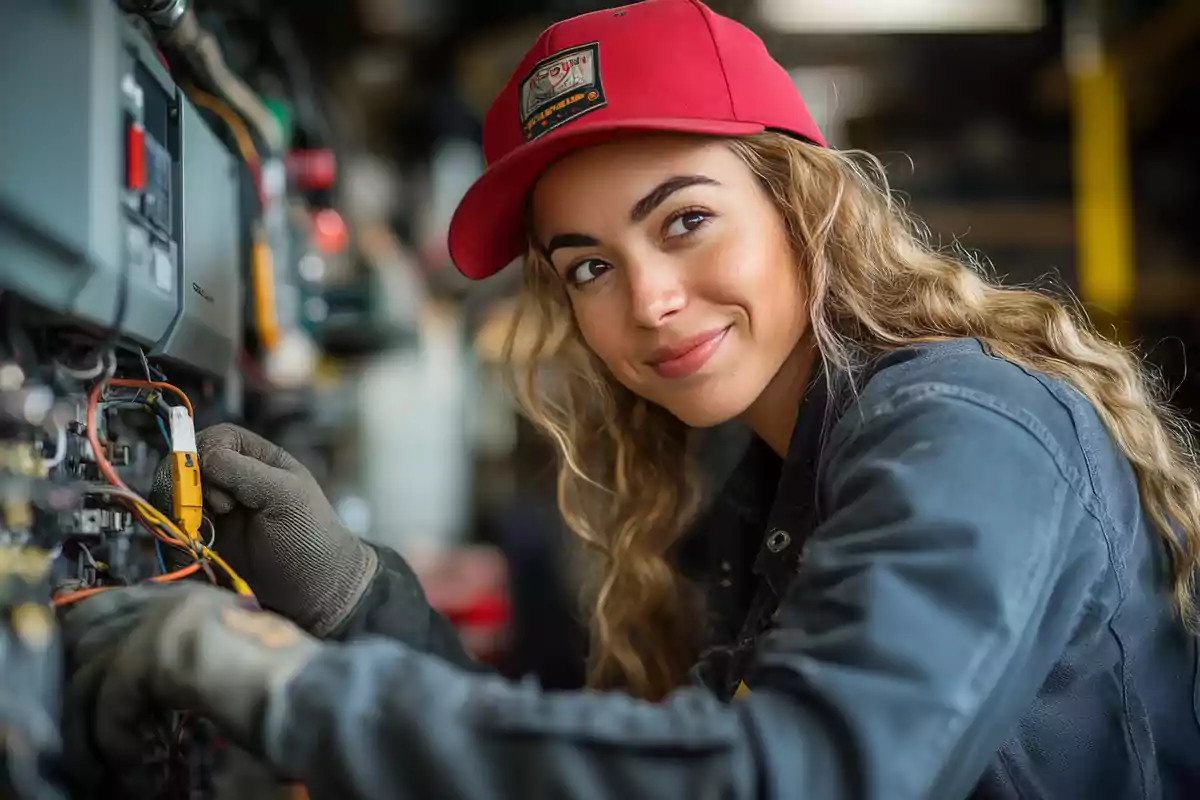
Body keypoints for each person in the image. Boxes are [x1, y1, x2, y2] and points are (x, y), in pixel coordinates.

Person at [59, 0, 1200, 797]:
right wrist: (361, 604)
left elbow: (795, 777)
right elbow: (663, 768)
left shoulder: (960, 429)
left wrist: (274, 684)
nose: (647, 299)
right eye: (588, 265)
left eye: (685, 218)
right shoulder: (771, 485)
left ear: (806, 206)